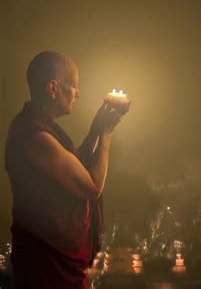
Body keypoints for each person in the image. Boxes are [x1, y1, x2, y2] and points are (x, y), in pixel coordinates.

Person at [4, 51, 131, 288]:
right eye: (73, 85)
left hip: (54, 261)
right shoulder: (36, 137)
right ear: (53, 89)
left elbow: (77, 163)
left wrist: (95, 127)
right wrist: (105, 135)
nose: (78, 93)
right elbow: (92, 185)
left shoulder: (40, 128)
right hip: (46, 263)